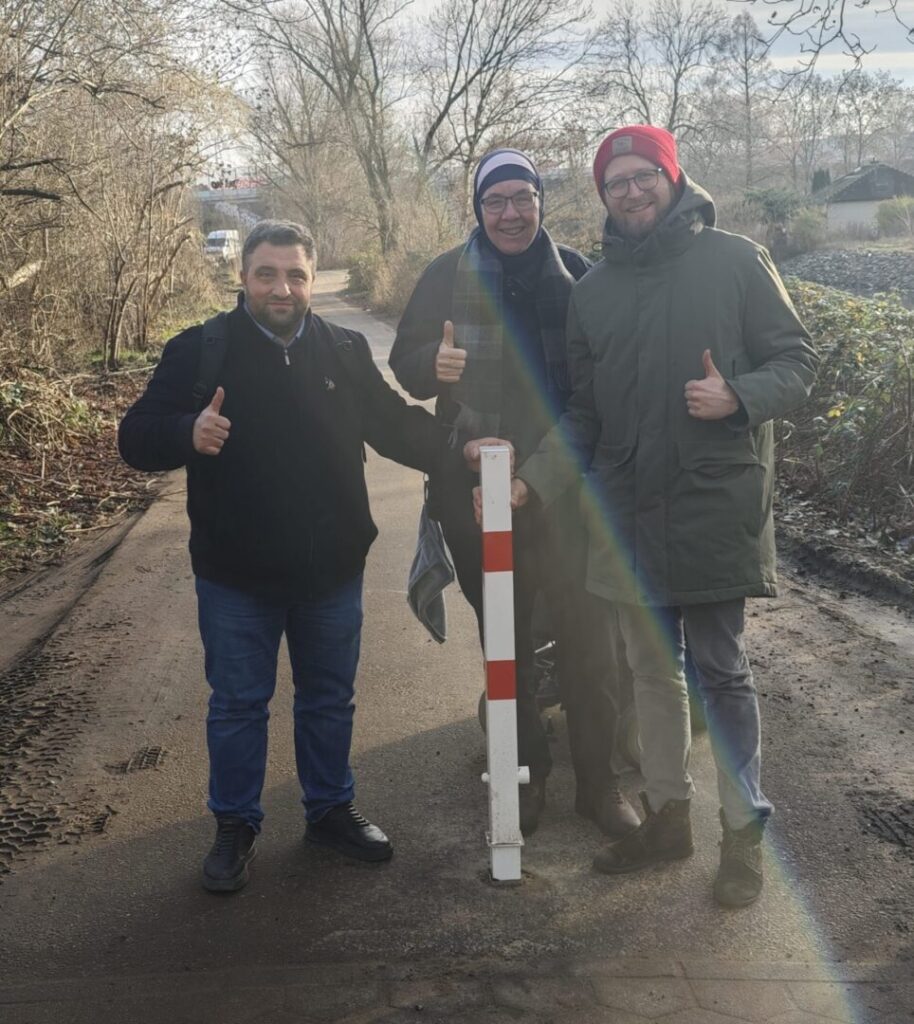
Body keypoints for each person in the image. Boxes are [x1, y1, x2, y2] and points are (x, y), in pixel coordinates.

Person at [509, 126, 818, 905]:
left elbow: (799, 363)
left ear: (673, 180)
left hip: (713, 505)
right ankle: (669, 816)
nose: (632, 191)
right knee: (651, 672)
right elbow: (585, 412)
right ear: (602, 196)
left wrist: (739, 396)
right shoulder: (594, 292)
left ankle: (742, 835)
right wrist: (533, 479)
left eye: (645, 176)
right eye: (617, 183)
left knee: (720, 671)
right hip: (626, 513)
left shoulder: (736, 261)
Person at [119, 220, 477, 893]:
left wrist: (463, 451)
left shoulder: (342, 350)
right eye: (267, 273)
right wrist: (186, 431)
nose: (281, 287)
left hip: (331, 569)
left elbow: (395, 425)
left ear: (312, 279)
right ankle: (235, 825)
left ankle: (330, 810)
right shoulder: (201, 351)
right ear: (243, 277)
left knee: (330, 699)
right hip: (236, 574)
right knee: (237, 705)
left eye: (295, 275)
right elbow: (136, 437)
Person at [390, 149, 639, 838]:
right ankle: (522, 778)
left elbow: (602, 389)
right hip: (475, 493)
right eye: (494, 200)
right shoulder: (446, 276)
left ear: (540, 202)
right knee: (505, 647)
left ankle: (602, 786)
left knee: (593, 647)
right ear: (478, 208)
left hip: (569, 494)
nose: (509, 212)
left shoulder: (580, 277)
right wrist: (428, 365)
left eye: (521, 197)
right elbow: (405, 364)